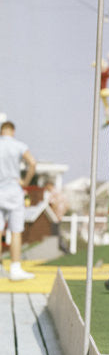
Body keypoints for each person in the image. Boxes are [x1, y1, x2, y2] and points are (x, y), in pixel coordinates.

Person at [0, 120, 37, 281]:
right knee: (16, 230)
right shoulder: (18, 145)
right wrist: (25, 182)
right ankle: (15, 268)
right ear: (12, 131)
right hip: (13, 190)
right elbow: (32, 163)